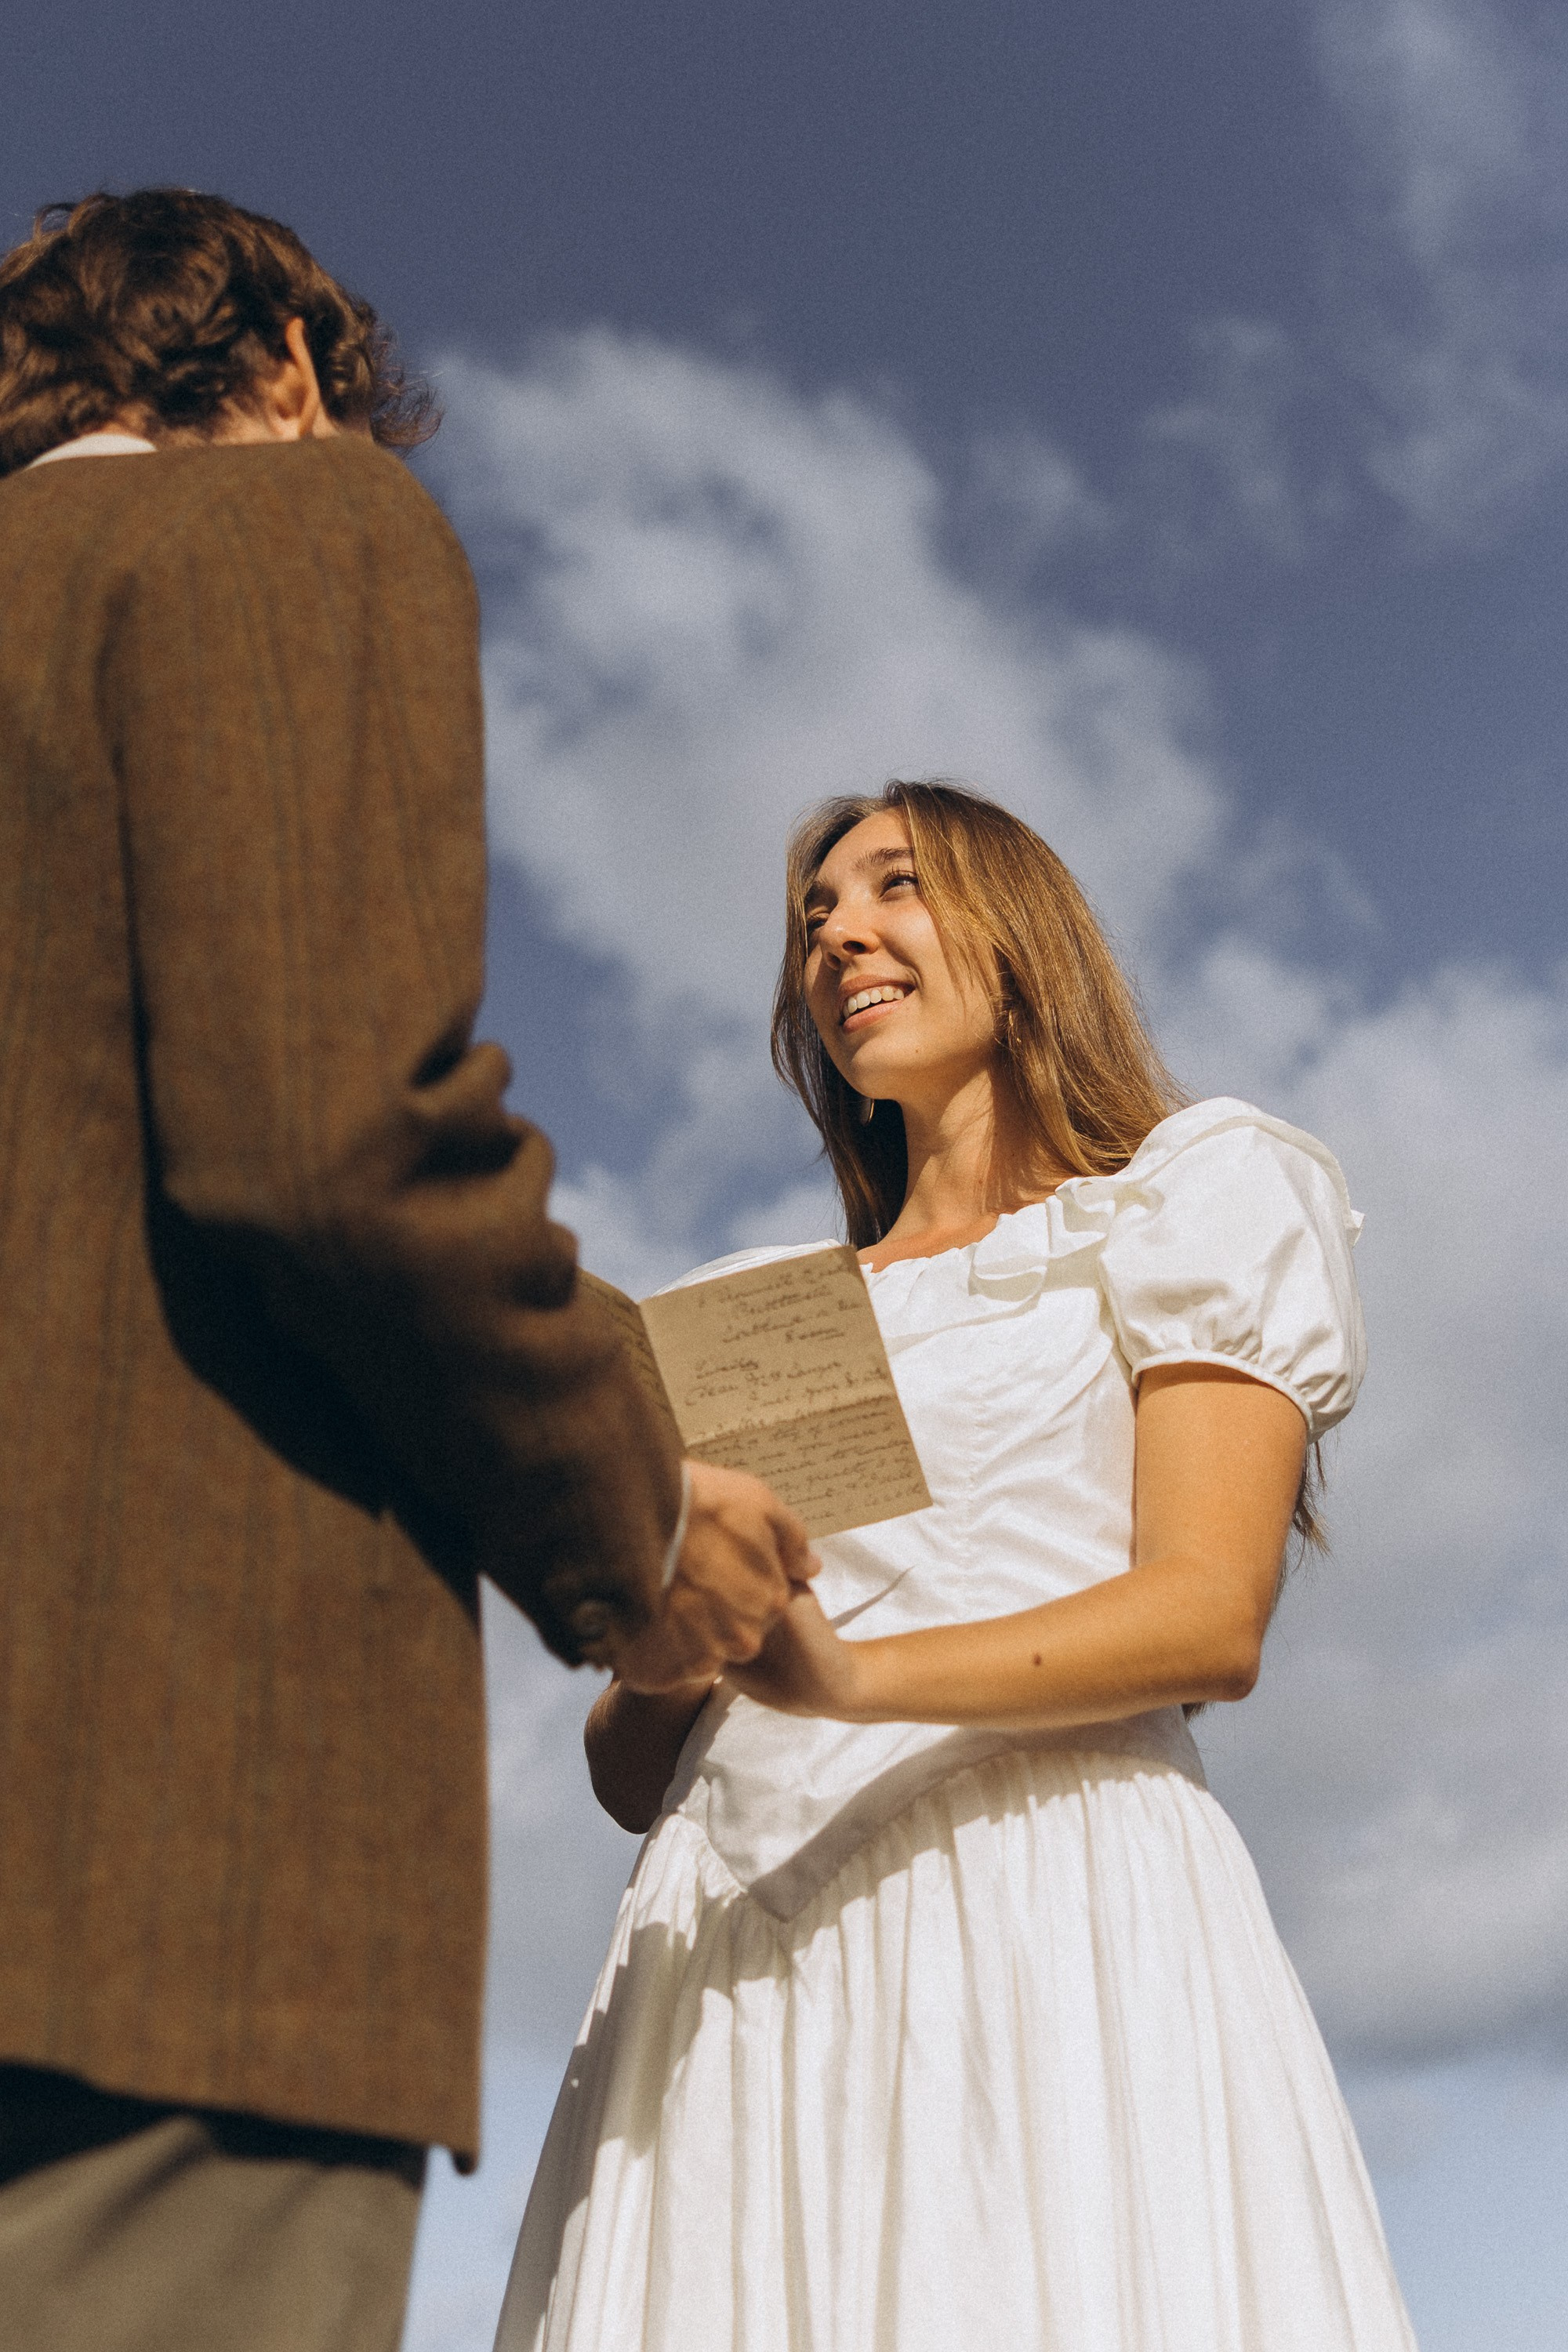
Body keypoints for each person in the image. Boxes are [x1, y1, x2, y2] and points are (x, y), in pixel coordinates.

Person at [0, 188, 811, 2352]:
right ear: (280, 366)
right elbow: (327, 1130)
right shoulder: (274, 524)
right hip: (134, 1851)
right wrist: (635, 1516)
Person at [496, 780, 1417, 2351]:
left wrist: (844, 1677)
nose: (838, 931)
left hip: (1034, 1900)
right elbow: (635, 1767)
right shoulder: (740, 1311)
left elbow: (1205, 1610)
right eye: (813, 916)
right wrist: (668, 1647)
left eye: (894, 886)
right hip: (722, 1956)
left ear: (1023, 936)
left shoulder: (1185, 1199)